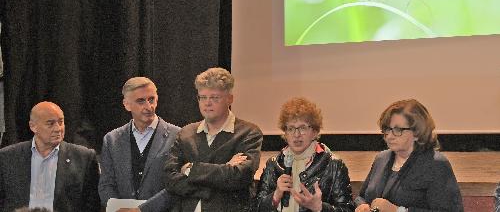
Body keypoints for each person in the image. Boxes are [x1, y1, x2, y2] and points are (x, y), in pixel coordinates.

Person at [164, 67, 263, 211]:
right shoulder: (186, 133)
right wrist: (221, 173)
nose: (207, 103)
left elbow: (240, 177)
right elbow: (170, 179)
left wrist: (190, 169)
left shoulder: (248, 133)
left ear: (230, 99)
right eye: (202, 97)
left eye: (214, 97)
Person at [354, 99, 463, 212]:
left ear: (417, 132)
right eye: (387, 129)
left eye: (397, 130)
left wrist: (398, 210)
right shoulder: (381, 159)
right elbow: (361, 197)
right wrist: (362, 206)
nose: (389, 136)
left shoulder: (436, 164)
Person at [254, 97, 355, 212]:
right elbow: (257, 207)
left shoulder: (333, 164)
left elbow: (347, 209)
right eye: (291, 129)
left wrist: (320, 208)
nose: (296, 135)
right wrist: (275, 196)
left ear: (315, 132)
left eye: (302, 128)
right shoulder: (274, 164)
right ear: (285, 133)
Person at [99, 77, 181, 212]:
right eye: (141, 101)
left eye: (151, 99)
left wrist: (142, 210)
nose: (149, 107)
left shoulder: (178, 136)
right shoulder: (112, 139)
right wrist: (118, 209)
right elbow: (106, 184)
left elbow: (177, 185)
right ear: (126, 104)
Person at [0, 101, 100, 212]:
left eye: (61, 122)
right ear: (33, 126)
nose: (58, 129)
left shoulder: (84, 158)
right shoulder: (7, 157)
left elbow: (92, 205)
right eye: (50, 123)